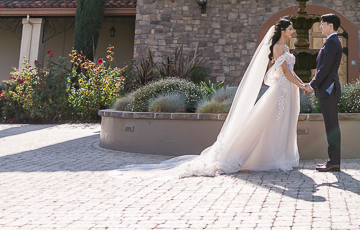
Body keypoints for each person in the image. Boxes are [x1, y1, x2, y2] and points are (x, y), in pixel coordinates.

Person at [118, 17, 313, 177]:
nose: (292, 31)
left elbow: (290, 72)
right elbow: (285, 72)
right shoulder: (279, 47)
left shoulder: (287, 49)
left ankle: (281, 156)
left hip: (287, 90)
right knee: (272, 122)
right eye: (290, 28)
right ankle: (267, 157)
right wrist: (301, 84)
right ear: (282, 31)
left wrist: (301, 84)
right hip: (281, 91)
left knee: (283, 122)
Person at [309, 14, 343, 172]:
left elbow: (325, 68)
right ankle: (333, 161)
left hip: (329, 90)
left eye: (322, 24)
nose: (320, 27)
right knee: (331, 126)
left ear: (331, 26)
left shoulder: (332, 42)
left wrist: (312, 85)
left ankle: (333, 162)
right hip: (328, 89)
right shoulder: (331, 42)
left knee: (332, 126)